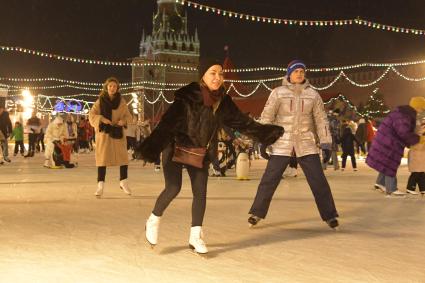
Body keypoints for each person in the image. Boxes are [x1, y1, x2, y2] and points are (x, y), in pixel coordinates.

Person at [136, 58, 283, 254]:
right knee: (173, 187)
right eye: (213, 72)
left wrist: (267, 132)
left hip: (200, 151)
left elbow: (243, 123)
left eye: (220, 73)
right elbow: (167, 123)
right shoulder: (188, 97)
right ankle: (153, 220)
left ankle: (195, 236)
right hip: (175, 147)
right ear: (203, 75)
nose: (218, 77)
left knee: (200, 193)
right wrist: (152, 147)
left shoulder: (224, 102)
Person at [248, 60, 339, 230]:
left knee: (318, 180)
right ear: (289, 73)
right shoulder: (278, 93)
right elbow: (267, 117)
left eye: (302, 71)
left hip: (306, 143)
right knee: (269, 180)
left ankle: (330, 215)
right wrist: (264, 140)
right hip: (282, 143)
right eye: (296, 71)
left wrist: (326, 143)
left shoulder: (313, 95)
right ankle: (257, 213)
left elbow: (321, 120)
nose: (299, 74)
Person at [366, 97, 425, 196]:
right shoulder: (405, 115)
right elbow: (404, 132)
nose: (421, 111)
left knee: (386, 163)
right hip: (390, 142)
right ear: (417, 107)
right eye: (421, 109)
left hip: (387, 140)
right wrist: (419, 139)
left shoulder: (404, 113)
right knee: (390, 164)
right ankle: (391, 189)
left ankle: (380, 183)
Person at [89, 77, 132, 197]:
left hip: (118, 133)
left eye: (114, 86)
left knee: (123, 158)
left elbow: (129, 116)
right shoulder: (100, 101)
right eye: (110, 86)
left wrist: (123, 121)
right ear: (106, 87)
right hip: (104, 134)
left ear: (117, 88)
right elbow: (92, 115)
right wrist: (102, 119)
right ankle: (100, 185)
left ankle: (123, 181)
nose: (112, 88)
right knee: (102, 159)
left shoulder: (122, 101)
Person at [406, 112, 425, 195]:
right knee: (417, 172)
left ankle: (422, 188)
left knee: (421, 172)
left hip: (420, 153)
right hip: (417, 152)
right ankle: (410, 188)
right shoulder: (416, 127)